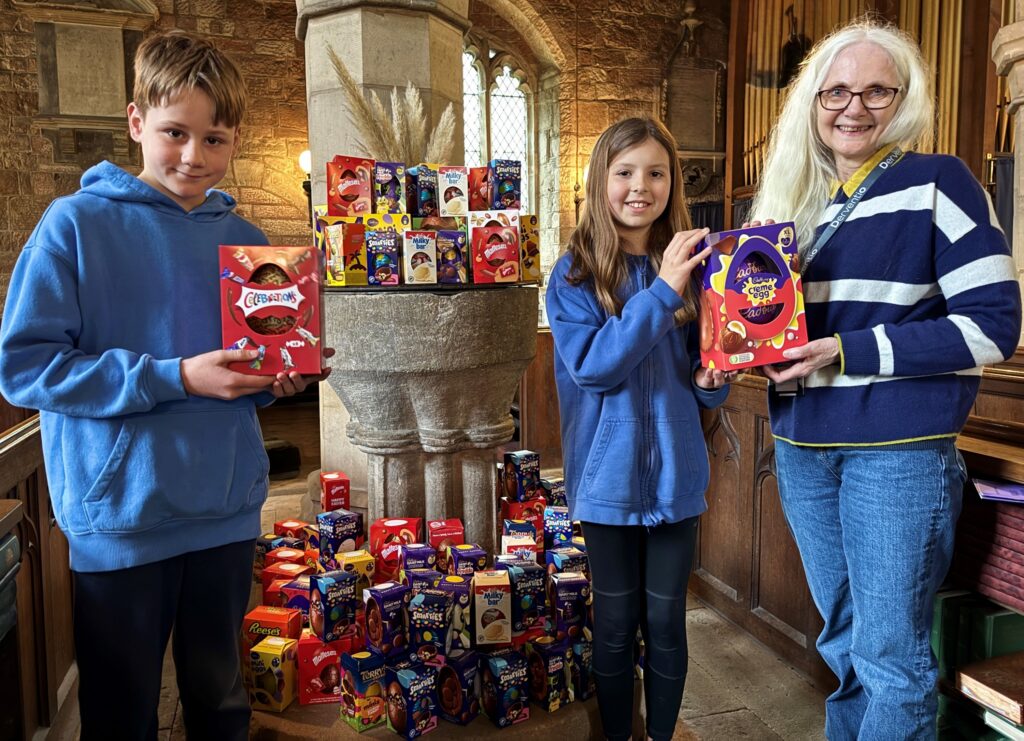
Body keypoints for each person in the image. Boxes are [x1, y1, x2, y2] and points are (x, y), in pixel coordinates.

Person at [0, 30, 330, 740]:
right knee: (122, 715)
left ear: (235, 139)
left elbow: (241, 370)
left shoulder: (243, 235)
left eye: (215, 139)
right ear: (134, 122)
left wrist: (282, 378)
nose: (193, 155)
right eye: (174, 132)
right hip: (121, 516)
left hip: (224, 508)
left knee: (221, 701)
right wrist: (175, 376)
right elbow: (25, 368)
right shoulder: (74, 226)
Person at [751, 20, 1021, 740]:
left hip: (896, 453)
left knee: (890, 658)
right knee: (842, 644)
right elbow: (772, 331)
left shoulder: (941, 183)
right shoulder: (797, 204)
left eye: (876, 90)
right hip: (805, 446)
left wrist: (846, 349)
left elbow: (994, 325)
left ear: (904, 98)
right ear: (812, 101)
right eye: (835, 90)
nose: (853, 107)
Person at [545, 116, 734, 741]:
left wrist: (712, 381)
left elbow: (708, 370)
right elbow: (595, 369)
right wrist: (661, 289)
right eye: (624, 172)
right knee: (617, 624)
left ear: (672, 183)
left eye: (656, 172)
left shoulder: (696, 265)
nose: (639, 186)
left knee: (669, 623)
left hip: (677, 475)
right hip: (607, 481)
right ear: (600, 181)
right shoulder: (573, 274)